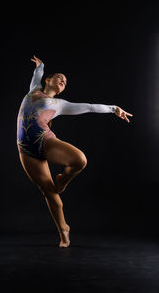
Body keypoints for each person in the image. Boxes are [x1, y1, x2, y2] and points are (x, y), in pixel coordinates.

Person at [16, 55, 133, 248]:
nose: (63, 81)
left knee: (79, 160)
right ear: (48, 80)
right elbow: (37, 75)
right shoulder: (34, 90)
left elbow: (89, 107)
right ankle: (64, 231)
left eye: (65, 81)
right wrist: (41, 65)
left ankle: (63, 180)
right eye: (60, 78)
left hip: (45, 141)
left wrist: (114, 109)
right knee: (49, 193)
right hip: (26, 150)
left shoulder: (60, 104)